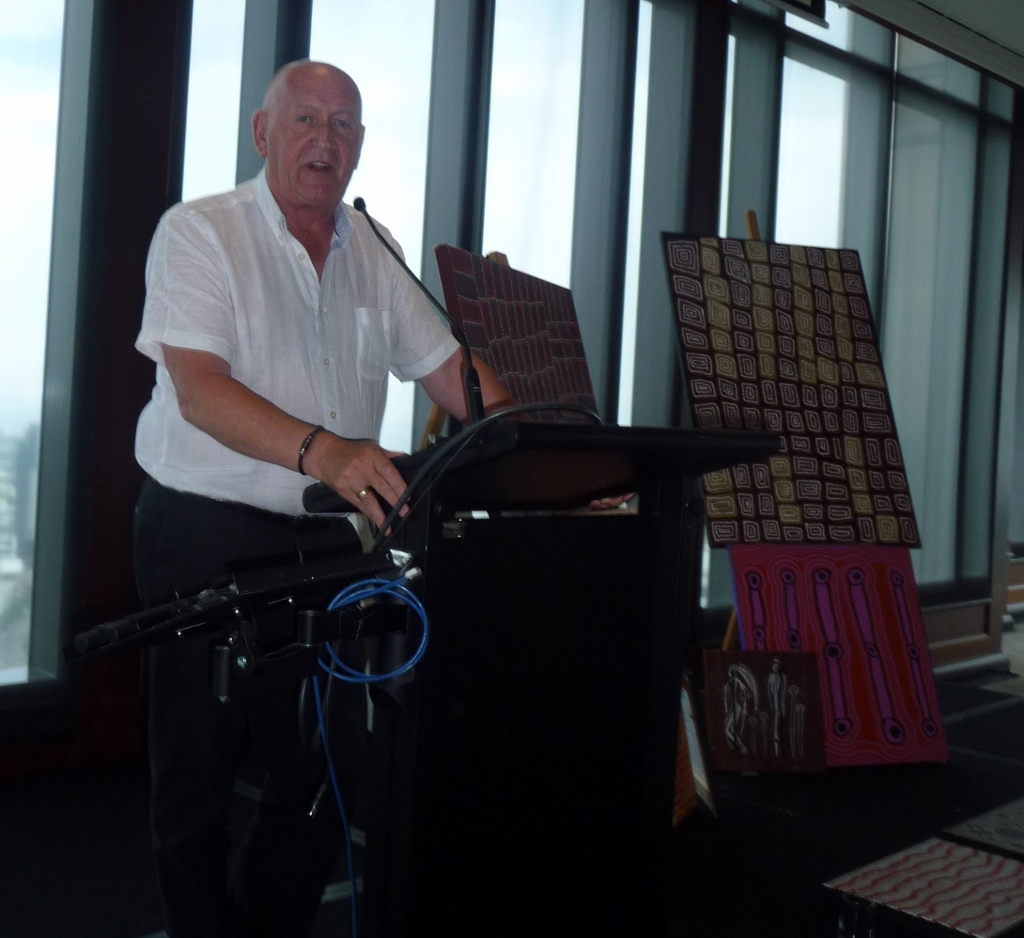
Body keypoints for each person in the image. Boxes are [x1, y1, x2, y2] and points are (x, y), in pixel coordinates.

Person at [132, 59, 512, 938]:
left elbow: (455, 374)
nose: (324, 139)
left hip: (328, 540)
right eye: (304, 119)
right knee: (195, 775)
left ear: (361, 146)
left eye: (343, 125)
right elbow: (200, 391)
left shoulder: (374, 250)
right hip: (202, 529)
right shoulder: (199, 232)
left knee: (327, 767)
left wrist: (548, 457)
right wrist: (324, 452)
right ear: (262, 133)